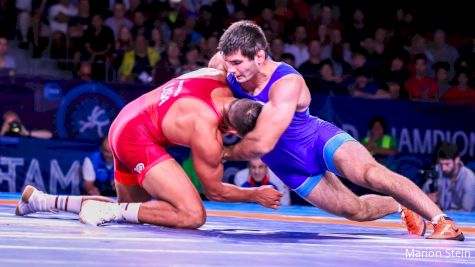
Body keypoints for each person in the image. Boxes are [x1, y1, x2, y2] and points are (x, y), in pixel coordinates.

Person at [209, 20, 464, 240]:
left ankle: (442, 221)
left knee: (370, 174)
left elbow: (263, 143)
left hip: (317, 142)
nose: (230, 70)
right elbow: (201, 88)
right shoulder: (225, 63)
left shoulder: (286, 82)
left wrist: (222, 153)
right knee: (355, 210)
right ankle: (399, 204)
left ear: (260, 57)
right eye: (228, 62)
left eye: (237, 63)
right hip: (290, 168)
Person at [16, 68, 282, 228]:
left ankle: (40, 200)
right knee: (192, 215)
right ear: (234, 131)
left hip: (126, 118)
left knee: (130, 211)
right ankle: (105, 209)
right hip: (137, 137)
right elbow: (214, 192)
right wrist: (254, 195)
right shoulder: (207, 132)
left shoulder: (216, 76)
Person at [423, 142, 475, 212]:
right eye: (441, 164)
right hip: (439, 216)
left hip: (462, 220)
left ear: (457, 160)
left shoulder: (469, 179)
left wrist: (441, 213)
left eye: (447, 164)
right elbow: (422, 191)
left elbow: (466, 212)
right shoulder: (438, 169)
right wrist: (427, 197)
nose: (443, 168)